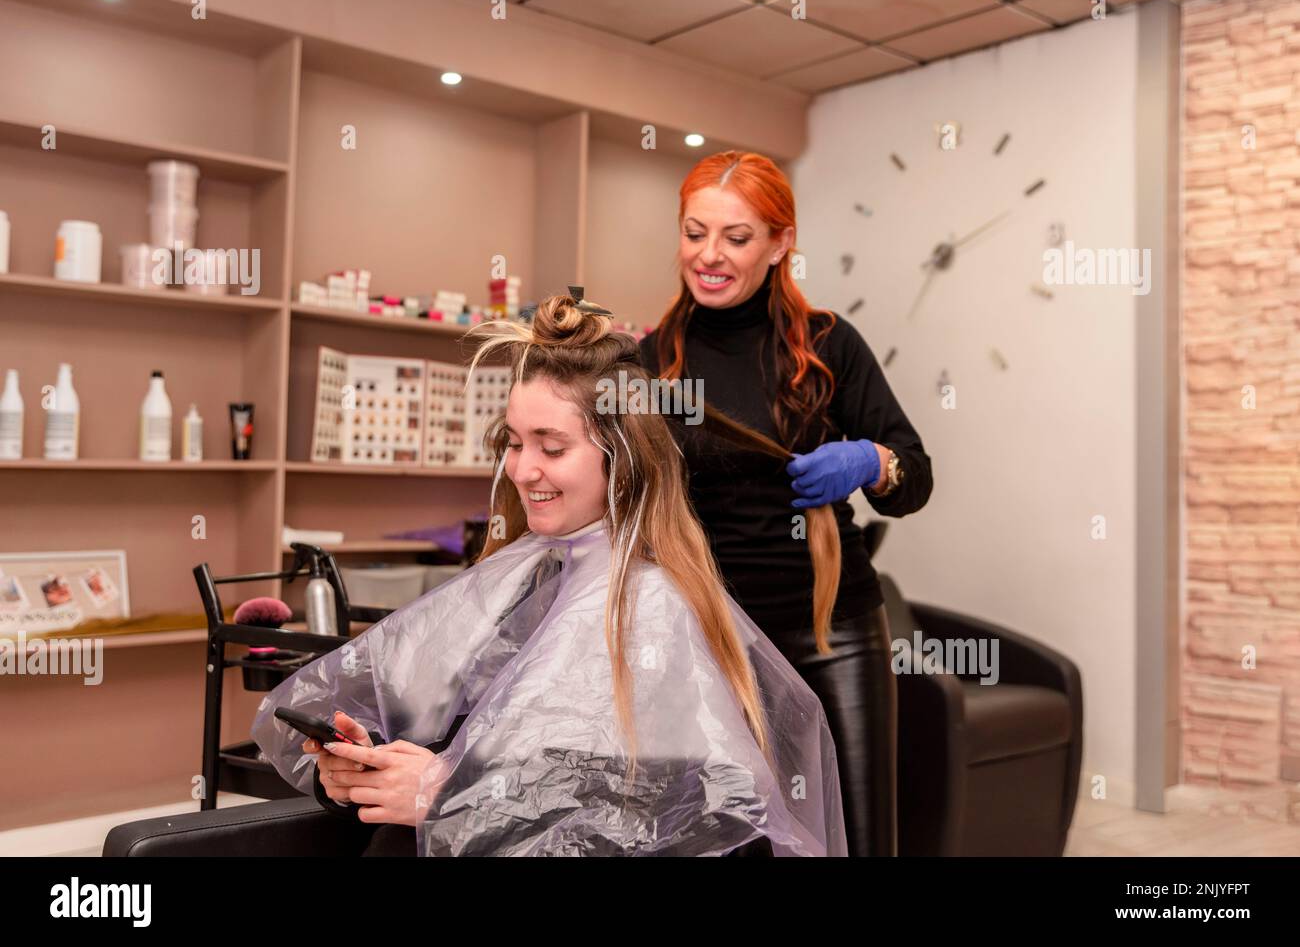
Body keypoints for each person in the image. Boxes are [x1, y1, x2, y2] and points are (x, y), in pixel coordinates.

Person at [250, 291, 847, 857]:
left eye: (552, 447)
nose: (521, 468)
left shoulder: (652, 606)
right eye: (513, 442)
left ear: (624, 456)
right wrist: (365, 767)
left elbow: (684, 821)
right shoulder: (522, 579)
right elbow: (460, 744)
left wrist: (447, 795)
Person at [639, 150, 935, 856]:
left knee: (860, 838)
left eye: (736, 238)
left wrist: (871, 461)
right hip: (709, 641)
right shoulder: (648, 363)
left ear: (780, 243)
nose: (709, 255)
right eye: (693, 231)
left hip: (833, 636)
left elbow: (915, 478)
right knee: (733, 844)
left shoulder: (831, 346)